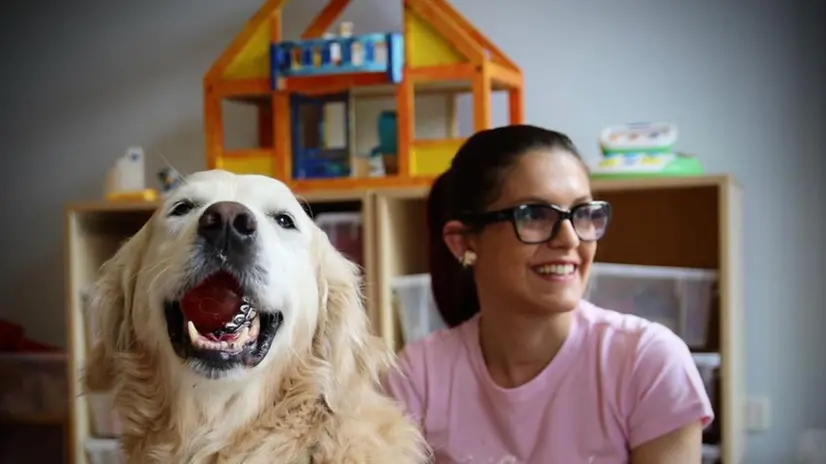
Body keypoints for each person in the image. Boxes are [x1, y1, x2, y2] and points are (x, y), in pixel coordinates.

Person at [383, 124, 714, 463]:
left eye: (583, 213)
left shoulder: (648, 363)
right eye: (536, 215)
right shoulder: (418, 378)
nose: (570, 238)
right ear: (465, 242)